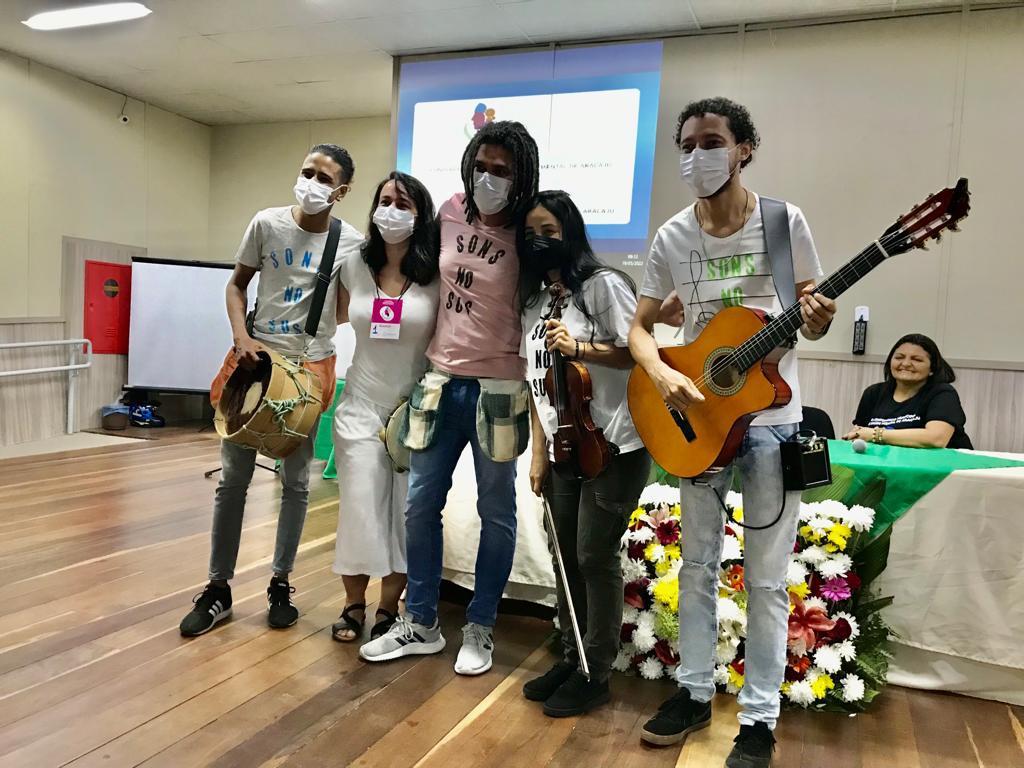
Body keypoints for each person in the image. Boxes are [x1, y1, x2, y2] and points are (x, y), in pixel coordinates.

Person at [628, 98, 836, 768]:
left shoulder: (783, 221)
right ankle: (692, 693)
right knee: (695, 567)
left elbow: (810, 310)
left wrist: (819, 317)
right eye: (687, 144)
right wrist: (660, 371)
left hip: (772, 422)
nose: (698, 155)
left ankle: (759, 720)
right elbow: (640, 327)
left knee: (768, 582)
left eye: (712, 141)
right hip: (700, 419)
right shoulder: (671, 236)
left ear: (744, 148)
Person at [359, 121, 539, 675]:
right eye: (481, 166)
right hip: (439, 382)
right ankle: (421, 621)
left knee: (497, 513)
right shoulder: (451, 212)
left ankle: (481, 626)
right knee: (419, 507)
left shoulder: (530, 232)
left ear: (521, 176)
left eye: (501, 171)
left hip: (500, 389)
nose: (488, 178)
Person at [179, 144, 363, 637]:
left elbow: (351, 306)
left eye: (324, 178)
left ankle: (280, 583)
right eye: (307, 171)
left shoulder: (351, 243)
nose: (312, 182)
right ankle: (218, 588)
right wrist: (242, 336)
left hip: (307, 371)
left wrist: (316, 327)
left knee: (297, 483)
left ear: (342, 191)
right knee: (232, 480)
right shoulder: (266, 223)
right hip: (256, 361)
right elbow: (237, 285)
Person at [515, 190, 652, 717]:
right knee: (565, 556)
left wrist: (579, 348)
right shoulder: (534, 300)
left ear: (570, 231)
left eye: (549, 231)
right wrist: (538, 453)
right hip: (562, 445)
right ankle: (572, 657)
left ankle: (597, 671)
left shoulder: (603, 285)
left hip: (613, 444)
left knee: (594, 555)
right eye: (531, 233)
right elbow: (536, 380)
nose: (539, 241)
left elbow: (638, 354)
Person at [331, 172, 440, 642]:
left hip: (414, 411)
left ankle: (388, 607)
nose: (391, 210)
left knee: (404, 515)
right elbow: (333, 316)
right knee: (359, 505)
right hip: (359, 404)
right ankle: (352, 603)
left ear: (421, 215)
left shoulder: (437, 273)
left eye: (403, 204)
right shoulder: (354, 264)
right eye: (385, 200)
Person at [844, 333, 972, 449]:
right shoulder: (873, 393)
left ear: (932, 368)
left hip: (941, 466)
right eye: (899, 357)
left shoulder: (943, 393)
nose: (905, 363)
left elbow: (936, 439)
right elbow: (859, 433)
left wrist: (876, 434)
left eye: (917, 359)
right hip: (885, 463)